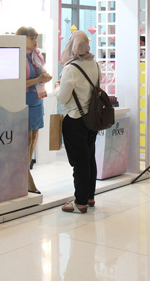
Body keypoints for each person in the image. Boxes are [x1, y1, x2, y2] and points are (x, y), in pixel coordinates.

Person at [57, 30, 100, 213]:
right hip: (92, 118)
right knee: (89, 158)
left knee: (79, 162)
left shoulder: (70, 69)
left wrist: (57, 88)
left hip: (75, 119)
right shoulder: (95, 64)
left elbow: (62, 98)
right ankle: (89, 197)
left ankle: (80, 202)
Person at [17, 26, 52, 194]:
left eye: (36, 37)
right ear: (22, 38)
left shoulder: (36, 55)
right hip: (24, 100)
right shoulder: (18, 56)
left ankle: (26, 170)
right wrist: (39, 78)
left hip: (37, 99)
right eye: (32, 38)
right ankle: (25, 174)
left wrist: (44, 77)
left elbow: (41, 75)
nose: (35, 40)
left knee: (34, 138)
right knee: (26, 138)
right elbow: (18, 83)